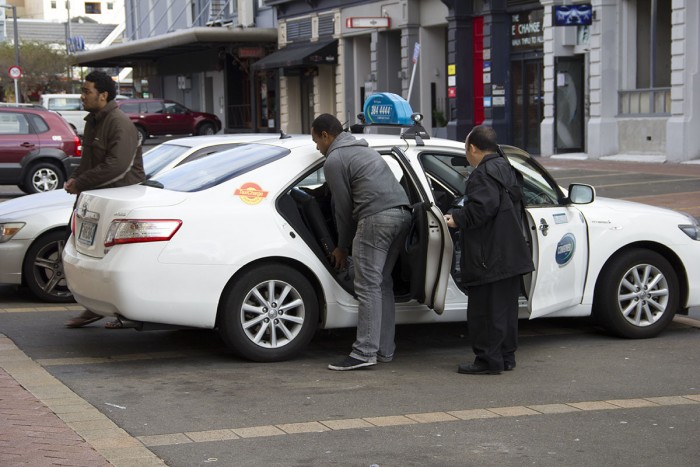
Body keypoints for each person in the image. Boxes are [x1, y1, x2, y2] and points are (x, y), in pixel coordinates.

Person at [311, 114, 412, 371]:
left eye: (316, 141)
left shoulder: (335, 159)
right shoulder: (364, 151)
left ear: (326, 135)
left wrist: (342, 247)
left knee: (367, 286)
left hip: (376, 218)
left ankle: (364, 352)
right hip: (402, 215)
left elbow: (343, 209)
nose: (316, 147)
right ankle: (384, 350)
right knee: (381, 284)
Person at [444, 125, 534, 375]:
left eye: (466, 148)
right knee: (505, 310)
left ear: (472, 148)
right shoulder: (506, 167)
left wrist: (457, 218)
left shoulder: (482, 174)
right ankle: (506, 357)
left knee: (484, 312)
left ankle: (487, 361)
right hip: (510, 253)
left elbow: (482, 209)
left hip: (489, 255)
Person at [64, 70, 145, 329]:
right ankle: (94, 307)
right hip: (96, 200)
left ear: (103, 95)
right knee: (88, 256)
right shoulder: (93, 121)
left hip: (119, 203)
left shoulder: (119, 122)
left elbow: (117, 167)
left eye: (87, 91)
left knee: (115, 259)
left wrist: (81, 183)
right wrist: (76, 179)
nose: (82, 95)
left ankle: (127, 313)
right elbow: (89, 160)